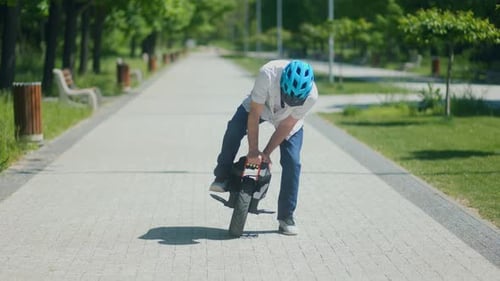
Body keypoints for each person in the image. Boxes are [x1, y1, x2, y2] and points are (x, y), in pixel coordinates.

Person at [209, 59, 318, 235]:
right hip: (260, 108)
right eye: (286, 95)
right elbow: (254, 114)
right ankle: (222, 176)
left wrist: (266, 154)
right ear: (281, 82)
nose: (289, 100)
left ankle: (286, 217)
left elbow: (286, 126)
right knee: (233, 130)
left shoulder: (312, 96)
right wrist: (253, 150)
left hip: (287, 120)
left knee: (293, 162)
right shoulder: (267, 74)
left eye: (295, 99)